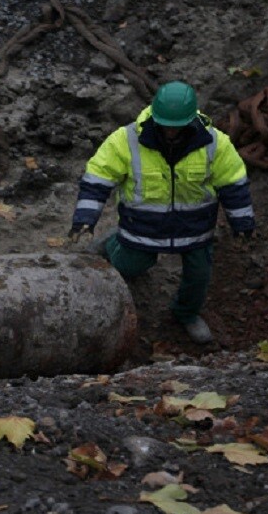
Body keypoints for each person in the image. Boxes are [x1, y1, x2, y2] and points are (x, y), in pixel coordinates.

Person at [68, 81, 255, 344]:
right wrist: (85, 218)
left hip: (195, 228)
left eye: (177, 126)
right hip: (143, 227)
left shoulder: (215, 143)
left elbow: (233, 184)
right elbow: (98, 178)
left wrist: (242, 222)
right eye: (165, 125)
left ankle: (186, 313)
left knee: (199, 276)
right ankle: (112, 243)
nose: (170, 131)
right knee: (130, 266)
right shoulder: (126, 140)